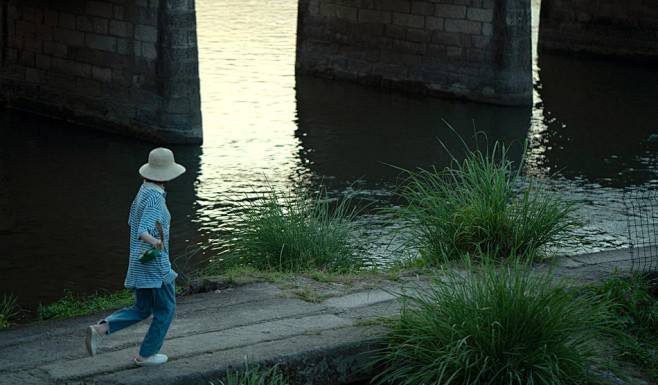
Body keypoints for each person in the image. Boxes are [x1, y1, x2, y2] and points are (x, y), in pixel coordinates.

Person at [85, 147, 186, 367]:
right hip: (155, 265)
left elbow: (132, 222)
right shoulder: (155, 199)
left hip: (140, 263)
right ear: (167, 175)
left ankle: (101, 329)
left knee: (142, 309)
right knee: (166, 309)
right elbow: (141, 229)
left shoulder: (142, 192)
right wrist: (156, 242)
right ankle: (146, 355)